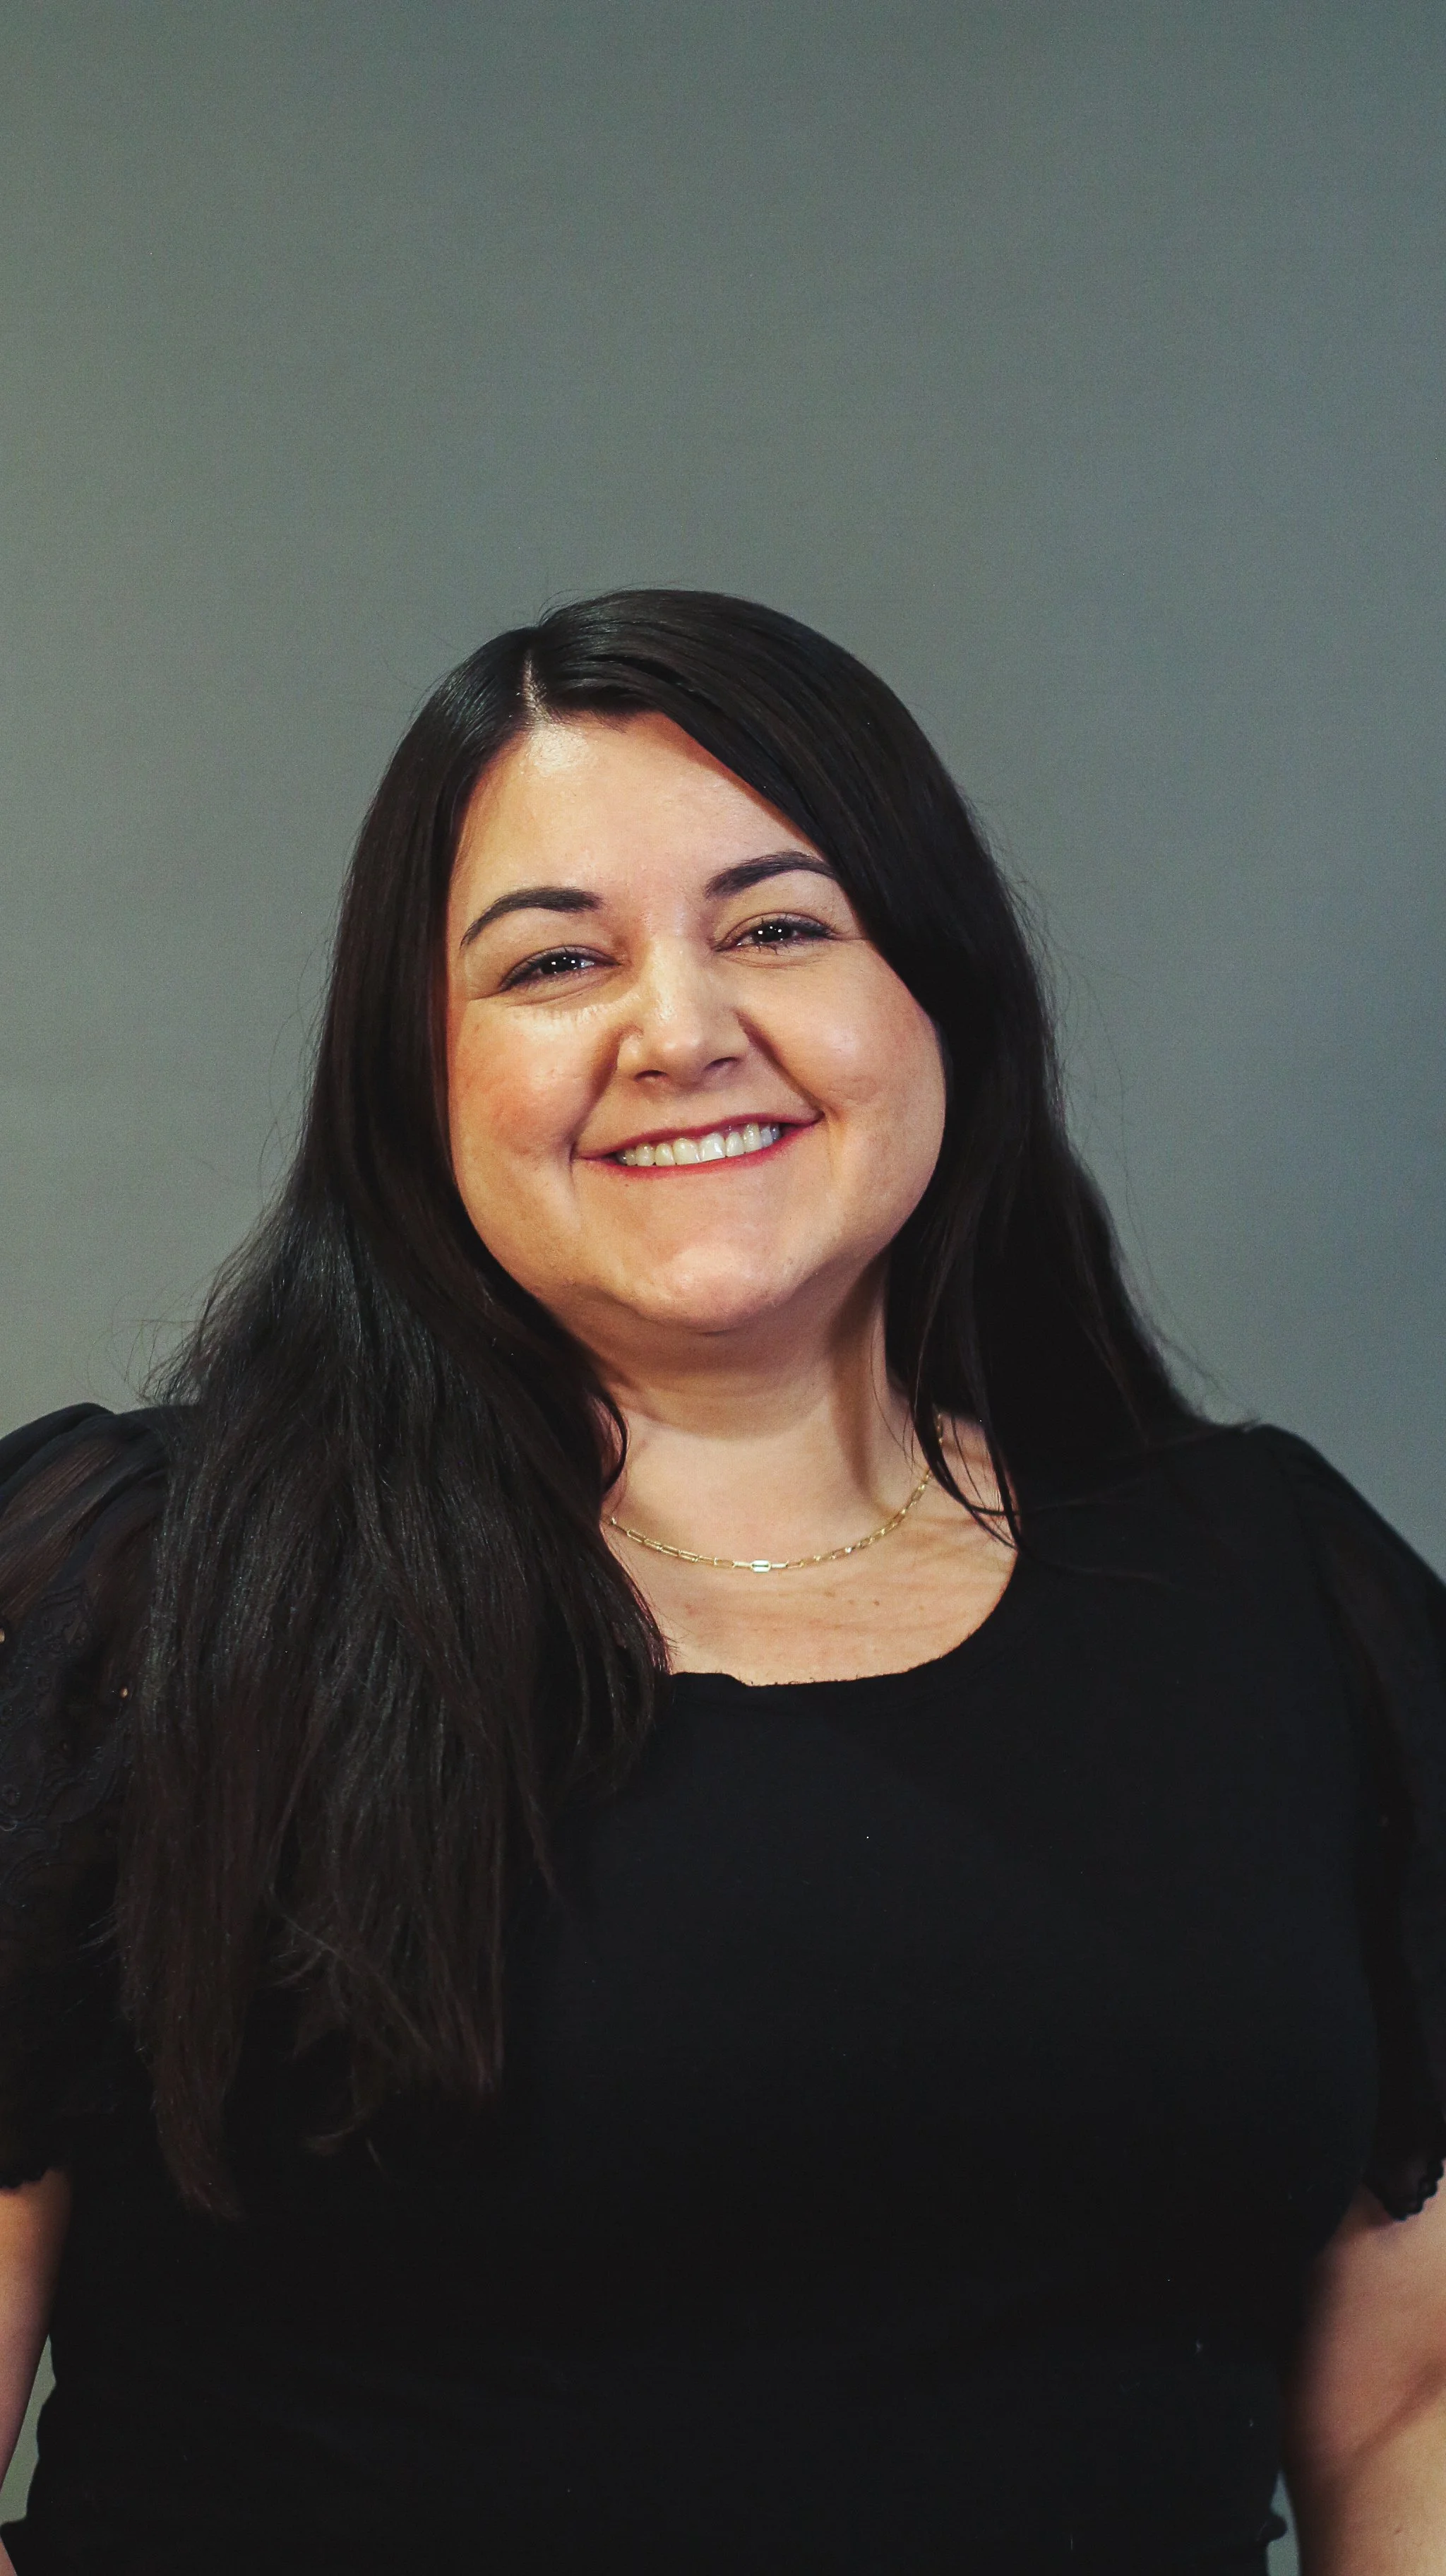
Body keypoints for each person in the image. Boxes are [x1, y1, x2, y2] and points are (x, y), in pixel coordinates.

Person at [0, 590, 1443, 2576]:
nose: (679, 1031)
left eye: (778, 926)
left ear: (937, 994)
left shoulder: (1280, 1601)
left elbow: (1404, 2410)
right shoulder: (140, 1601)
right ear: (417, 1071)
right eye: (553, 961)